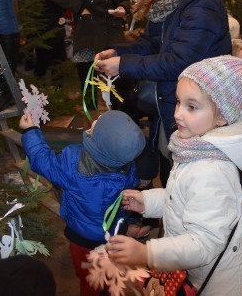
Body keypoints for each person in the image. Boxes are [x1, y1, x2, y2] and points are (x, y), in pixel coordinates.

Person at [105, 56, 242, 295]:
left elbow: (204, 243)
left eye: (192, 107)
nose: (178, 113)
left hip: (212, 284)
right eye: (179, 102)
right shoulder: (195, 149)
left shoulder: (211, 170)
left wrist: (147, 252)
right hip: (191, 273)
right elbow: (182, 199)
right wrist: (148, 202)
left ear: (222, 116)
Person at [94, 0, 231, 187]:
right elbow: (154, 43)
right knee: (171, 179)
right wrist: (117, 52)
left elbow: (179, 62)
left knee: (188, 187)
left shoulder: (200, 2)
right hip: (172, 106)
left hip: (200, 116)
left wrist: (124, 65)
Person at [19, 109, 146, 296]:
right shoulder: (127, 167)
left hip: (81, 239)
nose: (96, 120)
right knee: (109, 274)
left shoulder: (72, 163)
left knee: (89, 280)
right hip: (113, 235)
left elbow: (42, 160)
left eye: (99, 123)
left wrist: (30, 131)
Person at [51, 0, 130, 90]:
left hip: (113, 35)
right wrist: (80, 8)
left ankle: (117, 113)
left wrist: (123, 7)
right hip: (89, 35)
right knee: (89, 82)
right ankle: (89, 111)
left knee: (118, 84)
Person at [24, 0, 67, 77]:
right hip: (52, 22)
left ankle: (38, 86)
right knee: (59, 57)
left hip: (35, 22)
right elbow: (57, 1)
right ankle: (57, 85)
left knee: (41, 56)